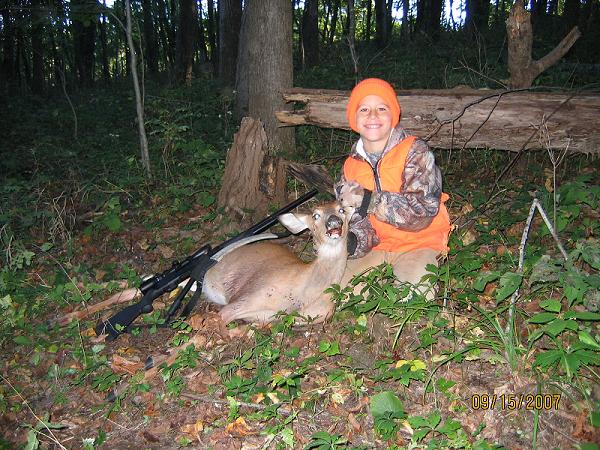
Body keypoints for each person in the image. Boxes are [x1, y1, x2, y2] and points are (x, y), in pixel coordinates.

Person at [335, 78, 451, 299]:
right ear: (354, 118)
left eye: (381, 108)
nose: (372, 116)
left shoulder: (415, 151)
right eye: (364, 109)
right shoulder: (351, 166)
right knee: (336, 293)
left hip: (420, 243)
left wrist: (369, 200)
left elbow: (421, 215)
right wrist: (351, 243)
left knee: (413, 297)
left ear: (393, 115)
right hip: (379, 247)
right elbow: (362, 225)